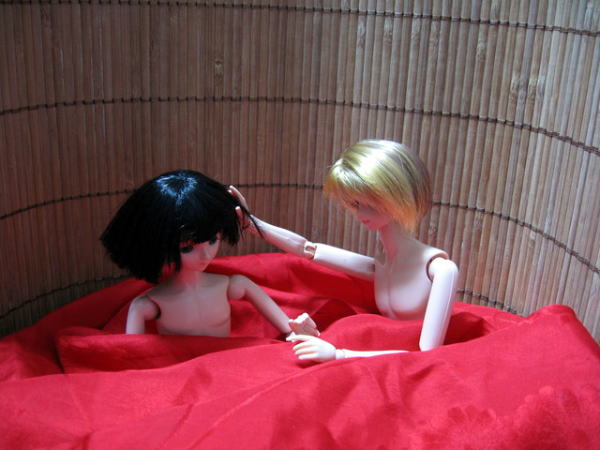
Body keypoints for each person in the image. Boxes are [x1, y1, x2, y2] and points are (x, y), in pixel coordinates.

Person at [230, 139, 458, 362]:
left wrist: (340, 355)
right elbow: (309, 249)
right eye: (356, 204)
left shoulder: (439, 270)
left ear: (399, 195)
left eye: (372, 202)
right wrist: (252, 224)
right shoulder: (381, 265)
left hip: (402, 367)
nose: (360, 214)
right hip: (374, 353)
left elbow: (426, 354)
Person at [101, 169, 318, 338]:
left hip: (227, 366)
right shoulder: (148, 305)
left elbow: (289, 328)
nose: (205, 255)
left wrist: (294, 331)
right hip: (180, 373)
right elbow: (133, 353)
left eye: (213, 240)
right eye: (187, 248)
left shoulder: (232, 285)